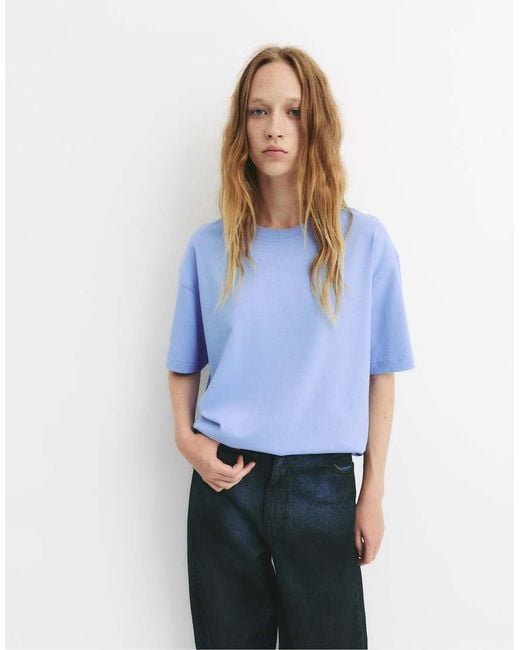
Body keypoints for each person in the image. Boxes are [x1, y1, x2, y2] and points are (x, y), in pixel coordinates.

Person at [166, 45, 415, 650]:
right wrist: (186, 438)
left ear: (315, 123)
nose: (274, 127)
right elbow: (184, 363)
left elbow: (381, 373)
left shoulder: (363, 243)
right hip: (226, 484)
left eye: (293, 111)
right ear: (243, 127)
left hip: (322, 486)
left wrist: (372, 491)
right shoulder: (209, 248)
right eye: (259, 111)